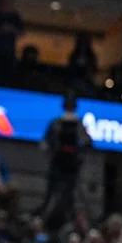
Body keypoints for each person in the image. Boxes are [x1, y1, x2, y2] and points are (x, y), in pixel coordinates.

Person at [42, 93, 92, 228]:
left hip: (71, 165)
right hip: (57, 163)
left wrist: (79, 158)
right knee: (51, 192)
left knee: (70, 195)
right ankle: (45, 219)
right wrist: (53, 155)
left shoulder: (79, 125)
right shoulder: (56, 123)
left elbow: (87, 143)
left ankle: (68, 220)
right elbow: (46, 143)